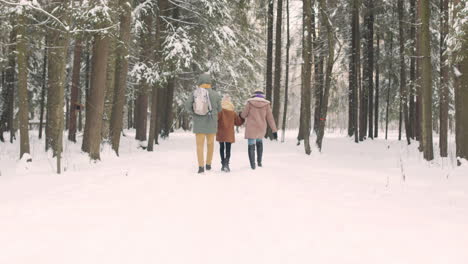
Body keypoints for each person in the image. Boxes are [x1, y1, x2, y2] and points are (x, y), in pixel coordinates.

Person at [185, 73, 221, 173]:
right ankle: (208, 164)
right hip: (211, 122)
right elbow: (220, 109)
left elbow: (187, 105)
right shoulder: (215, 94)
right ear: (210, 82)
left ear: (200, 81)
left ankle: (201, 167)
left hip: (199, 123)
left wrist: (195, 112)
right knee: (210, 144)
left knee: (199, 145)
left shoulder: (195, 93)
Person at [240, 90, 278, 170]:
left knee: (251, 146)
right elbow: (270, 118)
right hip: (261, 128)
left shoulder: (250, 103)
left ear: (254, 95)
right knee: (259, 143)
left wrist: (240, 114)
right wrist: (274, 130)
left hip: (251, 127)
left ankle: (253, 165)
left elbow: (243, 115)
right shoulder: (266, 105)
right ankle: (259, 162)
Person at [216, 94, 244, 172]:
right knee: (228, 149)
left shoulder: (220, 111)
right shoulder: (232, 112)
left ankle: (222, 164)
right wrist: (241, 117)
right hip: (229, 133)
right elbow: (238, 122)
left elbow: (215, 119)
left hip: (221, 132)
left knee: (221, 148)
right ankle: (226, 164)